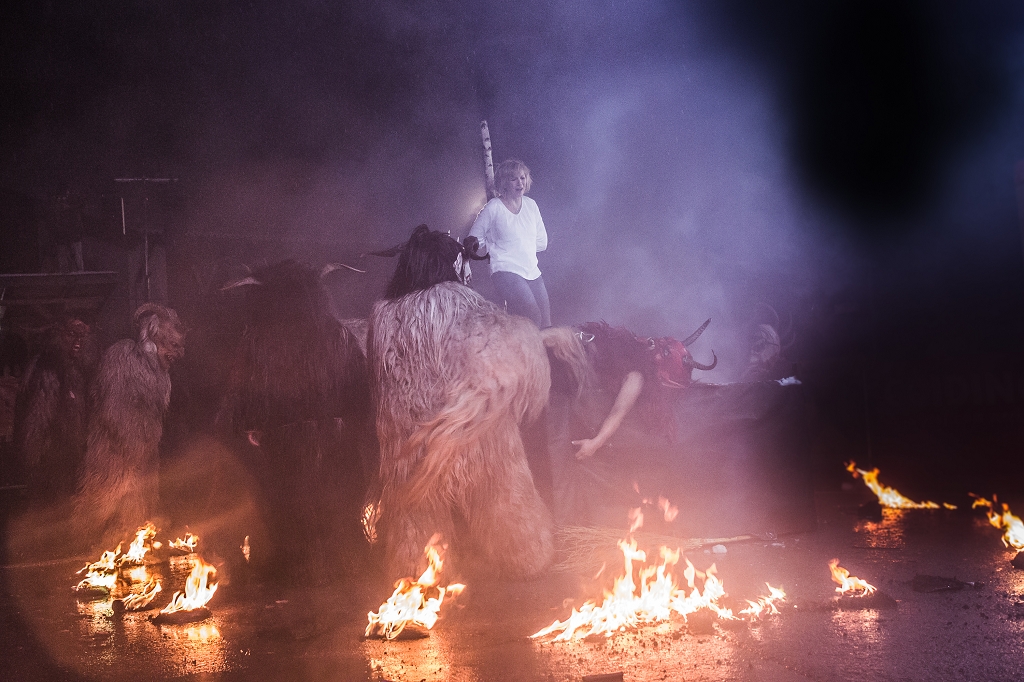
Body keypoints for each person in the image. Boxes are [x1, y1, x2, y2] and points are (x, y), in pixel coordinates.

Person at [466, 158, 551, 328]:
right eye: (514, 179)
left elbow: (542, 242)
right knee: (532, 316)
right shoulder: (493, 207)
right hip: (505, 270)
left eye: (522, 177)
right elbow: (474, 239)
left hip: (532, 270)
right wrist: (496, 249)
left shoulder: (531, 205)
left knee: (546, 323)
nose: (520, 183)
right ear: (504, 183)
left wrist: (521, 247)